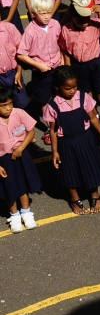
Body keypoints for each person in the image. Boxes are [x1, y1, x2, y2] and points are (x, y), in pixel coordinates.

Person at [45, 66, 100, 215]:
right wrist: (55, 151)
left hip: (85, 139)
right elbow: (53, 130)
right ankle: (74, 198)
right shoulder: (53, 106)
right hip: (66, 143)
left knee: (90, 166)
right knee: (70, 171)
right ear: (57, 87)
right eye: (67, 88)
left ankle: (94, 194)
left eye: (75, 86)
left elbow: (93, 118)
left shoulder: (83, 97)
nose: (72, 90)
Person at [59, 0, 100, 137]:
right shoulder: (66, 29)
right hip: (78, 67)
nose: (85, 23)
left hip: (96, 64)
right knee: (88, 99)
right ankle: (95, 121)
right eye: (80, 20)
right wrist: (68, 70)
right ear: (72, 16)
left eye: (87, 18)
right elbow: (65, 51)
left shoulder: (95, 23)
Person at [16, 0, 63, 146]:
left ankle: (61, 123)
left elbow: (60, 44)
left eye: (49, 12)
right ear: (33, 12)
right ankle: (51, 128)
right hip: (42, 73)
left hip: (57, 67)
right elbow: (21, 54)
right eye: (42, 13)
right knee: (44, 100)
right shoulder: (30, 30)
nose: (47, 16)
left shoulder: (55, 24)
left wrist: (62, 61)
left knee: (59, 96)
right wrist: (39, 65)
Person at [0, 87, 41, 233]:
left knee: (23, 185)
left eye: (10, 103)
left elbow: (31, 131)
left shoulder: (19, 113)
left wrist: (20, 148)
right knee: (9, 188)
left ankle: (26, 212)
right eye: (3, 106)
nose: (8, 108)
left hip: (21, 155)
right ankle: (14, 215)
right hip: (4, 160)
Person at [0, 9, 27, 109]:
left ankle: (18, 120)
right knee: (3, 104)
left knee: (21, 102)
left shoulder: (10, 28)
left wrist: (19, 71)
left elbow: (20, 51)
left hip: (13, 73)